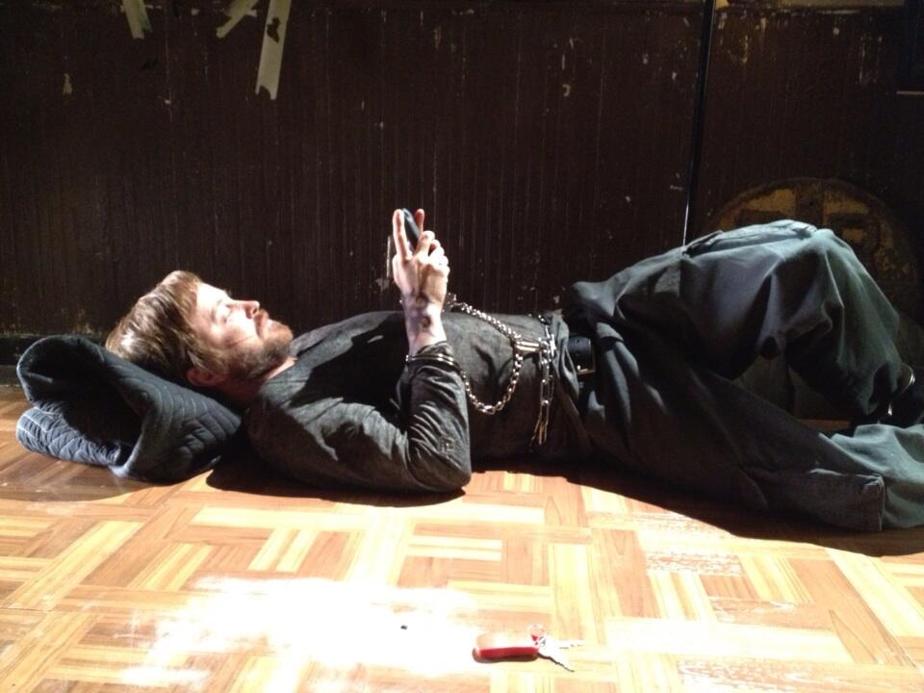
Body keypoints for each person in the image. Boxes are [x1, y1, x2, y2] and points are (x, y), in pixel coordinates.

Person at [106, 210, 924, 531]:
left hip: (599, 317)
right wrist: (422, 313)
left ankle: (899, 397)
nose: (247, 302)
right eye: (224, 314)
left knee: (803, 254)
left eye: (229, 296)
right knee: (840, 481)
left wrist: (414, 285)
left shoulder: (303, 349)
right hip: (599, 400)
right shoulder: (284, 418)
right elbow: (436, 461)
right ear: (203, 374)